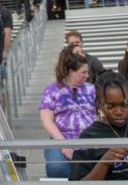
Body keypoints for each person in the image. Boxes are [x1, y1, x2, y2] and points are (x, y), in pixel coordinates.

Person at [39, 48, 96, 178]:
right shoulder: (52, 90)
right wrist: (63, 143)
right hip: (60, 137)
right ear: (71, 72)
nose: (87, 75)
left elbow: (100, 114)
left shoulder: (92, 89)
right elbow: (47, 120)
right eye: (83, 72)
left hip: (89, 138)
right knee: (56, 167)